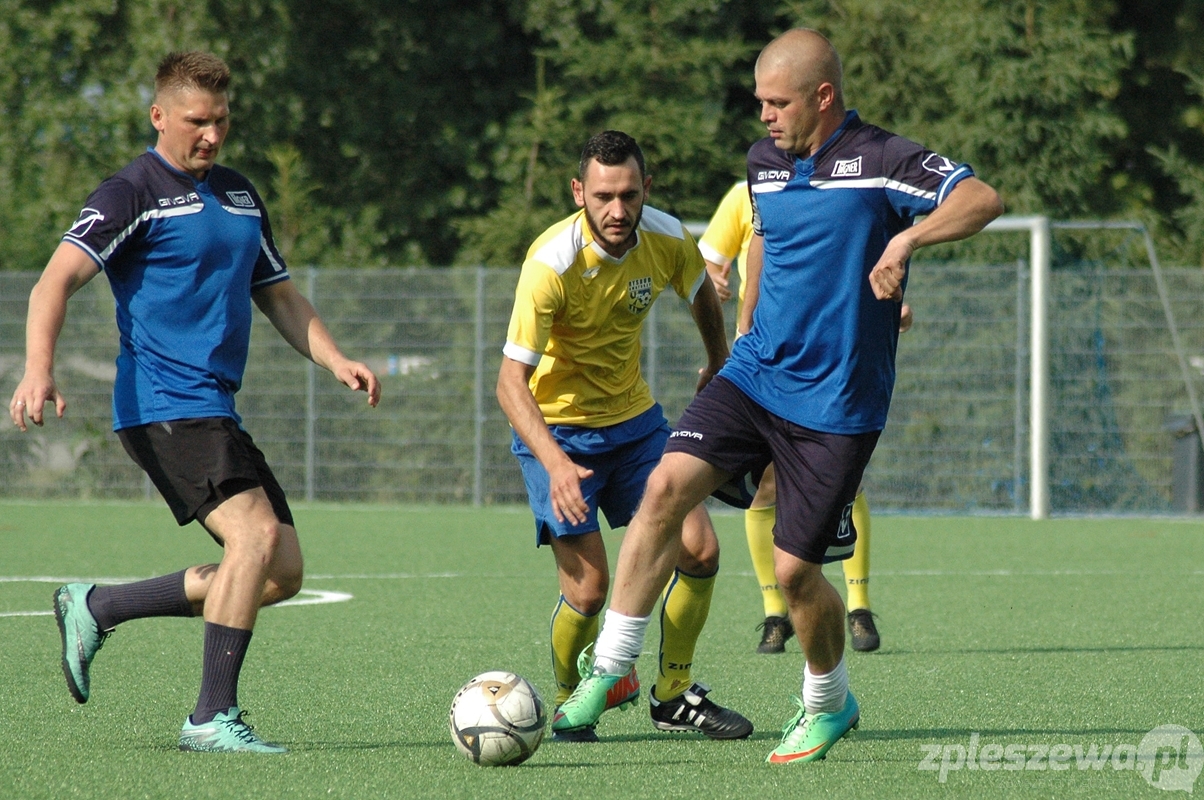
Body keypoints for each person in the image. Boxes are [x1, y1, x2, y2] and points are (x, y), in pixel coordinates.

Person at [554, 29, 1003, 763]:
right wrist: (739, 330)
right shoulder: (763, 161)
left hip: (837, 403)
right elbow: (767, 236)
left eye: (777, 102)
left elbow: (981, 199)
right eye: (759, 101)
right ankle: (611, 667)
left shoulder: (884, 159)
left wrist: (903, 245)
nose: (764, 115)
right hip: (755, 373)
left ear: (822, 97)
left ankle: (829, 702)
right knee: (664, 487)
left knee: (795, 573)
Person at [8, 51, 381, 754]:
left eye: (222, 121)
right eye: (196, 122)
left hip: (214, 407)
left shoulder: (239, 194)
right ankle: (211, 717)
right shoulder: (131, 192)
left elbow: (278, 294)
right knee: (253, 537)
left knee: (281, 573)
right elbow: (52, 282)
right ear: (159, 116)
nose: (211, 135)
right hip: (162, 404)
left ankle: (100, 605)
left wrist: (336, 358)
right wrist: (38, 371)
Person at [497, 130, 752, 743]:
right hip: (559, 433)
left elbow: (701, 291)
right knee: (589, 592)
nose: (618, 210)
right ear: (578, 192)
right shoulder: (550, 263)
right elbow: (509, 384)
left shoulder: (667, 238)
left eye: (630, 195)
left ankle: (672, 695)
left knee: (701, 552)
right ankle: (570, 698)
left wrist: (717, 359)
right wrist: (556, 464)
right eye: (603, 196)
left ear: (646, 190)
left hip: (636, 426)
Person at [700, 183, 911, 654]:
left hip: (833, 358)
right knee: (765, 487)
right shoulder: (748, 193)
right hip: (764, 360)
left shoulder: (843, 189)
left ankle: (859, 606)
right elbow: (708, 262)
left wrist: (889, 303)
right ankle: (775, 612)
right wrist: (714, 280)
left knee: (845, 480)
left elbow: (859, 260)